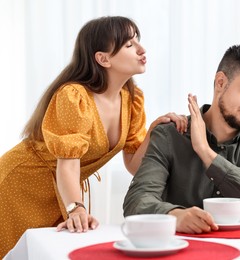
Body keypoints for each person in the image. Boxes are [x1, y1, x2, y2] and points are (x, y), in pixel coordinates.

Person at [0, 16, 187, 258]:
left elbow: (133, 165)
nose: (141, 49)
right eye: (129, 45)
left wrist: (153, 131)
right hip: (19, 185)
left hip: (62, 193)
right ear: (103, 58)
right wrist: (76, 207)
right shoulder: (74, 96)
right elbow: (68, 164)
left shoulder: (132, 99)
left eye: (137, 41)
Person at [123, 45, 240, 234]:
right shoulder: (170, 135)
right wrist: (174, 215)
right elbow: (136, 202)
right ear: (221, 83)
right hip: (179, 249)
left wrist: (206, 153)